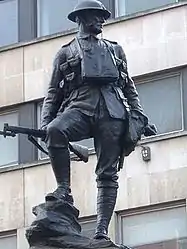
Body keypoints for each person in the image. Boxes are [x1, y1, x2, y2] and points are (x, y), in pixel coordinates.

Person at [41, 0, 156, 241]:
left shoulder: (115, 50)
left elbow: (128, 86)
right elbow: (53, 92)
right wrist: (45, 124)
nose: (102, 20)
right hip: (80, 106)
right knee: (55, 130)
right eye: (97, 16)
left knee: (107, 174)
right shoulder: (66, 52)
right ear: (82, 18)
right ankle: (64, 188)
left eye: (102, 17)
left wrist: (138, 116)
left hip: (112, 111)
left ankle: (102, 230)